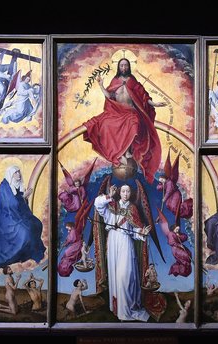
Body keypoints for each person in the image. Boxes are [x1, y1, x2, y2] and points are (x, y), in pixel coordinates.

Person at [83, 58, 167, 183]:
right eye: (122, 65)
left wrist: (154, 104)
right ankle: (119, 154)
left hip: (131, 112)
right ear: (118, 67)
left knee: (134, 124)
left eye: (126, 65)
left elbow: (144, 97)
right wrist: (101, 85)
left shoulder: (133, 81)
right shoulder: (115, 81)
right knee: (106, 124)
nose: (124, 68)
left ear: (129, 67)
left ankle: (127, 152)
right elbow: (109, 96)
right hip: (117, 112)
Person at [94, 184, 152, 321]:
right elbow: (98, 204)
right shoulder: (111, 205)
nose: (126, 193)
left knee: (124, 276)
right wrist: (109, 196)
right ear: (119, 192)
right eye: (123, 191)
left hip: (126, 242)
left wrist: (141, 232)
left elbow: (134, 231)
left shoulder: (133, 209)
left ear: (131, 193)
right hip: (113, 242)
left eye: (128, 191)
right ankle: (119, 309)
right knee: (115, 276)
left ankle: (128, 310)